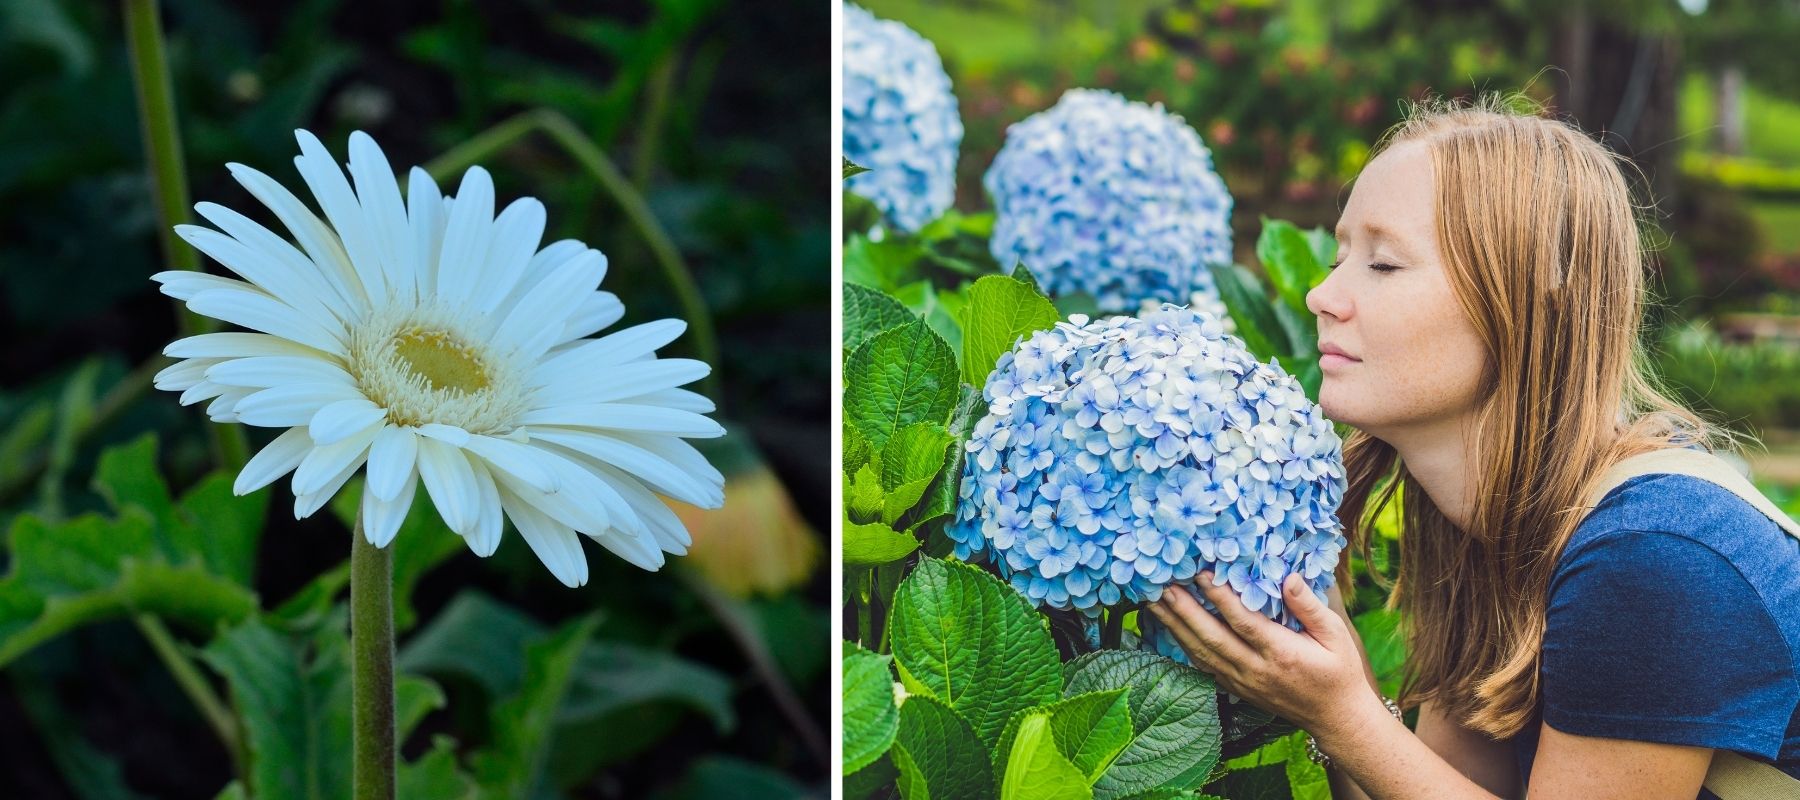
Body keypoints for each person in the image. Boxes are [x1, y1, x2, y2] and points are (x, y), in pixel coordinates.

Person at [1146, 93, 1800, 800]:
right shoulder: (1491, 538)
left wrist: (1344, 717)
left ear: (1526, 299)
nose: (1322, 295)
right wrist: (1342, 685)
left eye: (1384, 264)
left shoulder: (1656, 554)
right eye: (1339, 256)